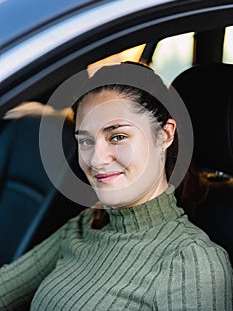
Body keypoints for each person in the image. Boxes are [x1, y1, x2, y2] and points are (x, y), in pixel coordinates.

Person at [0, 62, 232, 310]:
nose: (96, 159)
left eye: (117, 137)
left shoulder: (193, 263)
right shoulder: (87, 224)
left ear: (164, 135)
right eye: (86, 141)